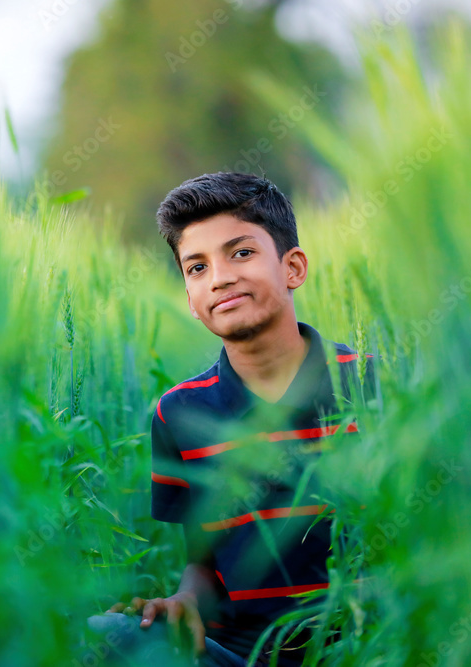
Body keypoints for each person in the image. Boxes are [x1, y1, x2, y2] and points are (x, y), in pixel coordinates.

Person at [87, 172, 377, 666]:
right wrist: (181, 605)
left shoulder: (372, 384)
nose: (219, 277)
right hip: (240, 657)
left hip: (369, 647)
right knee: (103, 633)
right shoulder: (179, 412)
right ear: (191, 301)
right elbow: (204, 564)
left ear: (293, 267)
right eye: (196, 267)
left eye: (241, 253)